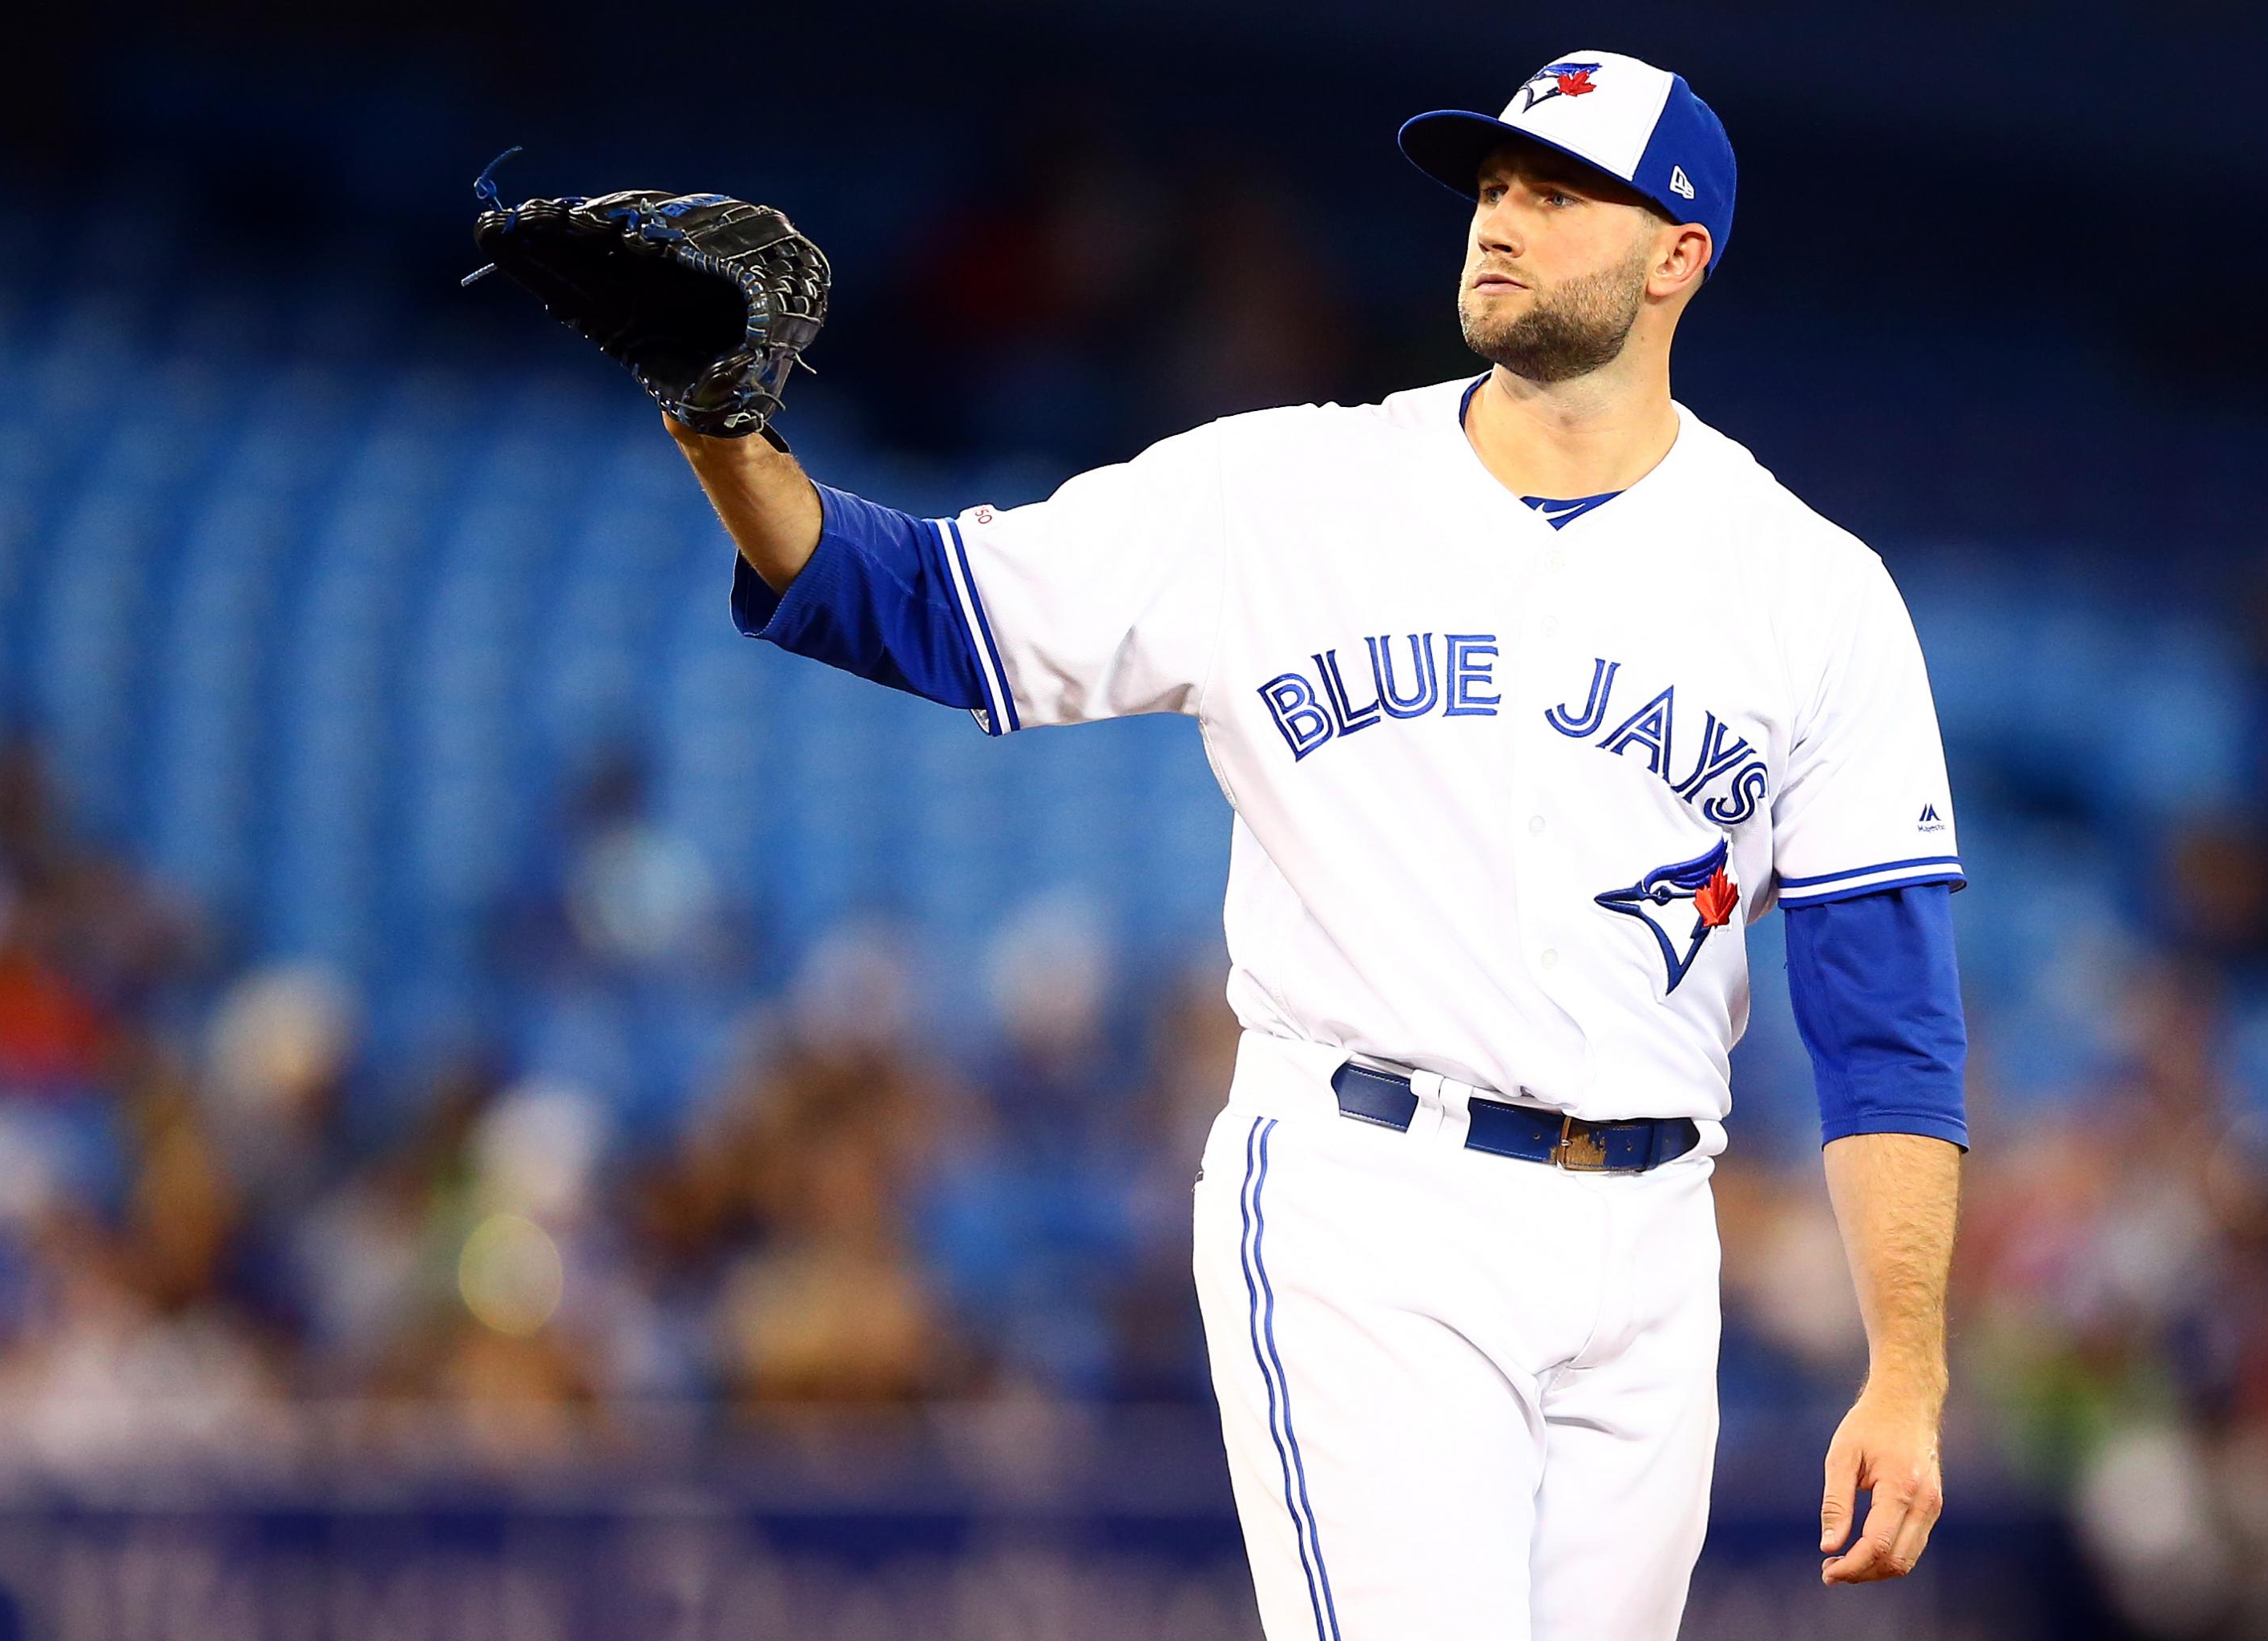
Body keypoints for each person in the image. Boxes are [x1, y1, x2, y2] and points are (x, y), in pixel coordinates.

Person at [666, 47, 1967, 1641]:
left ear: (1676, 257)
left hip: (1651, 1237)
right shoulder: (1287, 489)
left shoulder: (1812, 591)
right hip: (1373, 1196)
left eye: (1558, 196)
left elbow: (1886, 1018)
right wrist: (725, 432)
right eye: (1493, 186)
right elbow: (923, 601)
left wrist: (1906, 1369)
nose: (1500, 220)